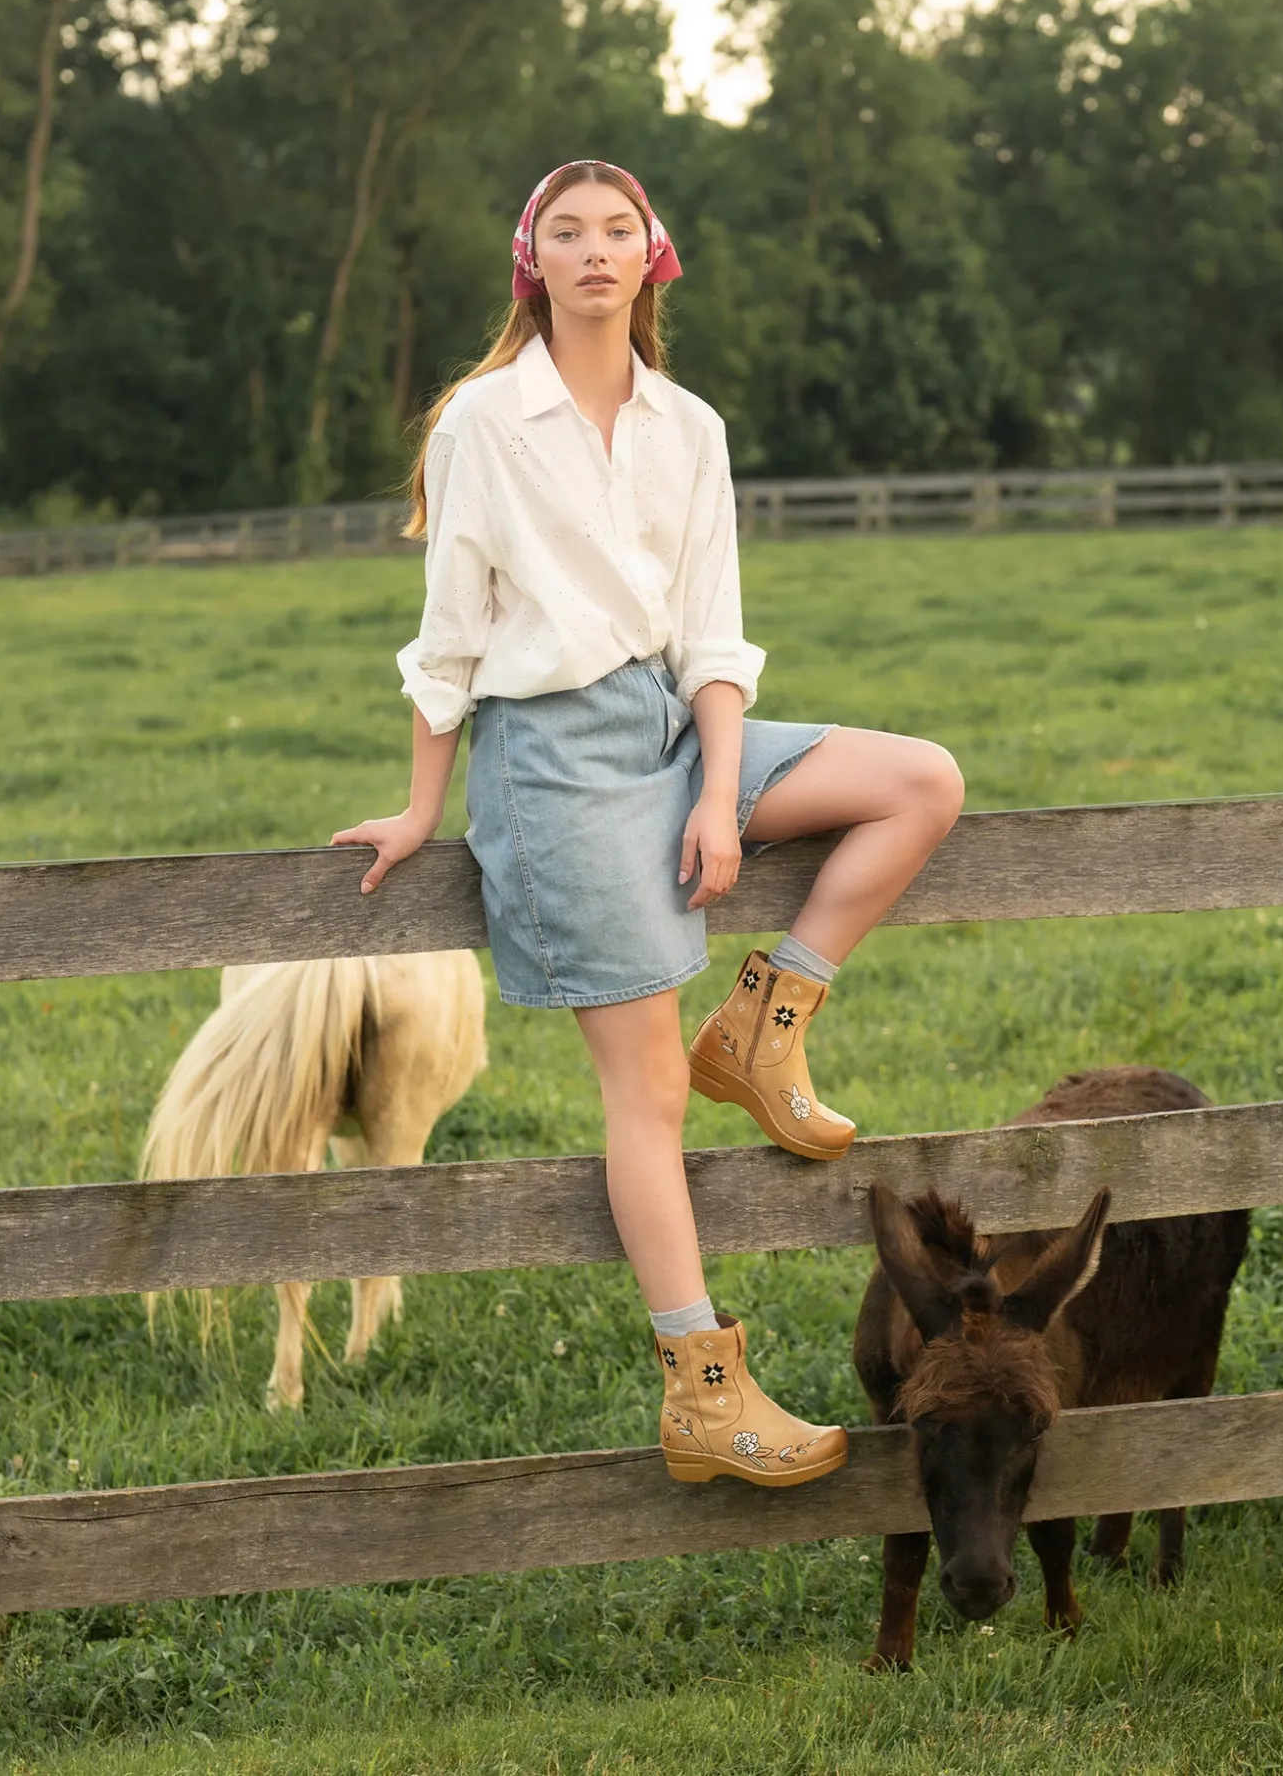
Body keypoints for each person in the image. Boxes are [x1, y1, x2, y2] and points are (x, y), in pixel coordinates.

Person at [333, 160, 964, 1488]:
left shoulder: (691, 427)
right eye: (567, 232)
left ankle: (769, 1021)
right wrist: (420, 807)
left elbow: (713, 633)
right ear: (535, 265)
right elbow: (449, 640)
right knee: (650, 1087)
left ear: (652, 257)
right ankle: (702, 1387)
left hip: (676, 731)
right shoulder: (482, 424)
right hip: (549, 760)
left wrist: (724, 794)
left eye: (617, 229)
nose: (594, 250)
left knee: (923, 782)